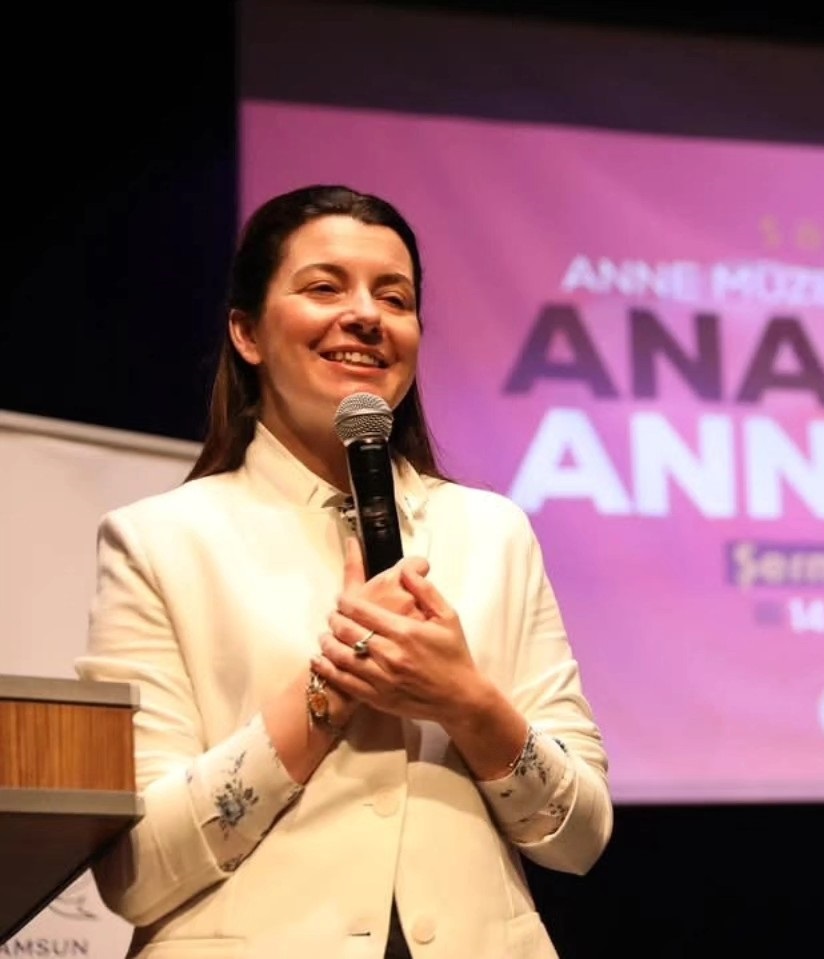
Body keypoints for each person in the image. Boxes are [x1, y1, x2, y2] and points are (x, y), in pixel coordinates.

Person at [75, 184, 613, 958]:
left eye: (394, 297)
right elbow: (135, 869)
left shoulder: (492, 531)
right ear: (247, 332)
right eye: (325, 287)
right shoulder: (159, 540)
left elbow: (580, 837)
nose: (365, 314)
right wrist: (329, 692)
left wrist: (465, 702)